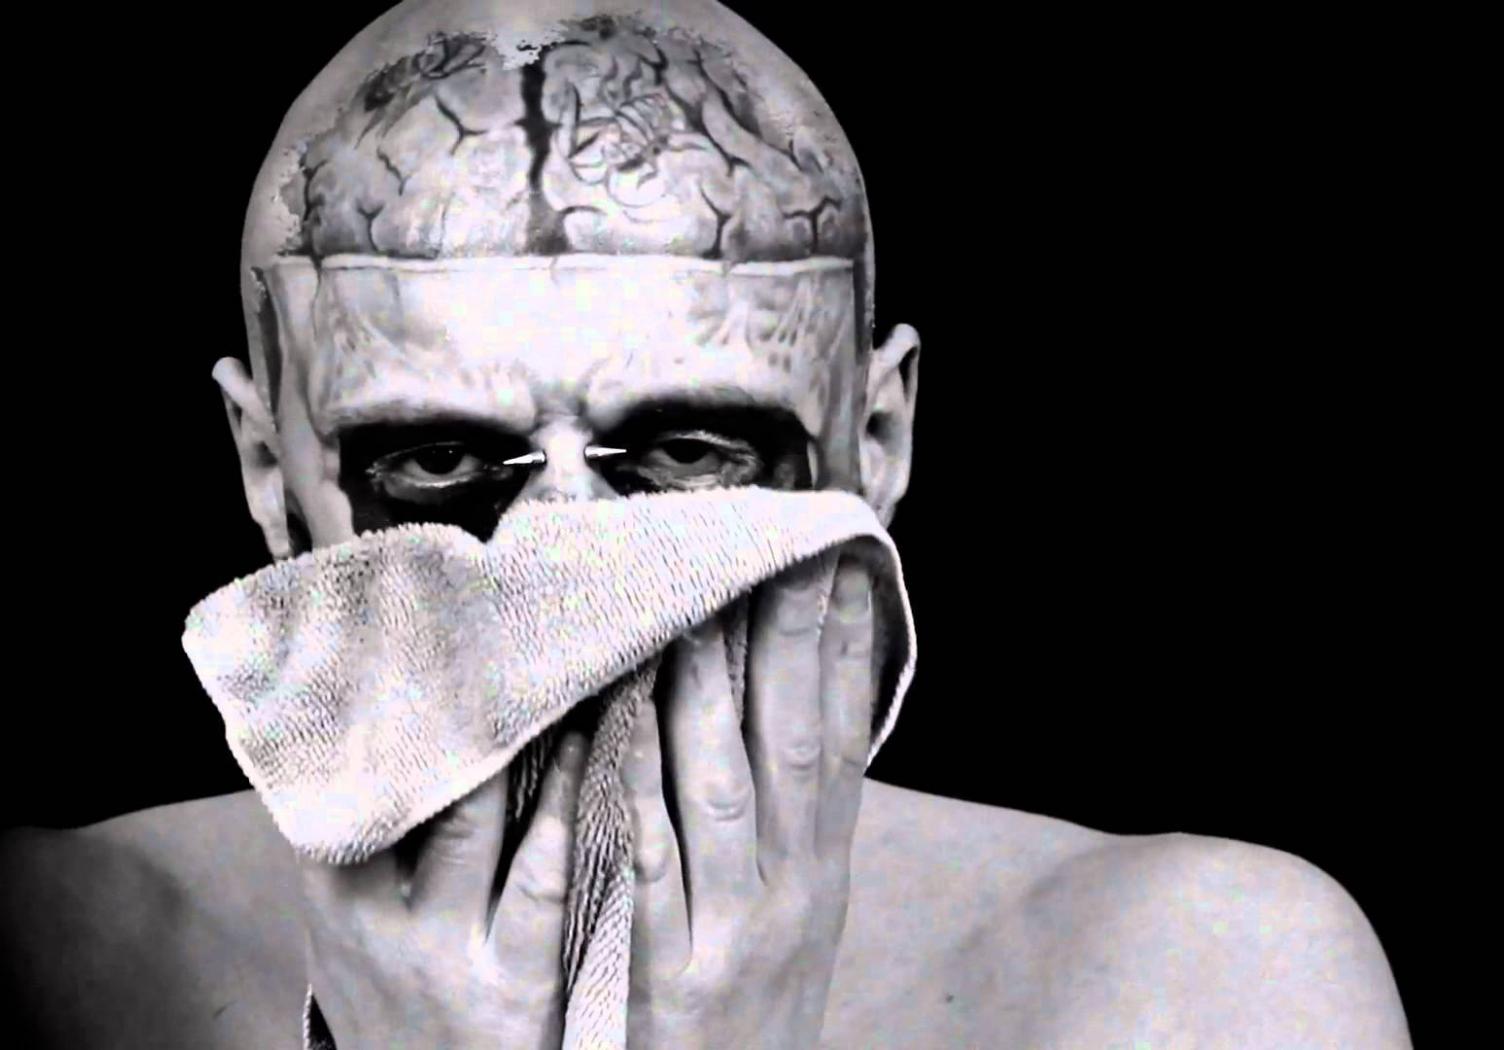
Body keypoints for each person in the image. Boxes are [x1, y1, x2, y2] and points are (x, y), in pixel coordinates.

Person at [0, 1, 1412, 1046]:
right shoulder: (64, 953)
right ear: (269, 472)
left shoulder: (1200, 977)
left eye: (686, 450)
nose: (563, 555)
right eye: (436, 457)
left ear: (874, 441)